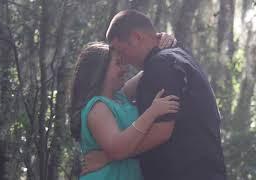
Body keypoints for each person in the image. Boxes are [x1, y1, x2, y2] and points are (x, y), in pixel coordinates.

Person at [83, 10, 227, 180]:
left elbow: (162, 131)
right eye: (118, 60)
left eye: (122, 52)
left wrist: (110, 157)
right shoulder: (174, 56)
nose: (125, 62)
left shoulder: (161, 64)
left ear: (136, 37)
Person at [70, 37, 179, 180]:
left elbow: (150, 69)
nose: (125, 68)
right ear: (100, 71)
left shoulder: (120, 97)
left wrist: (160, 41)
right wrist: (152, 112)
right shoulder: (97, 108)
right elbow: (118, 149)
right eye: (118, 63)